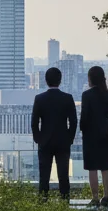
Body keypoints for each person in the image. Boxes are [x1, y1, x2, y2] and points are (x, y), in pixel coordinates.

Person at [31, 67, 77, 200]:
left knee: (44, 176)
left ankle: (43, 202)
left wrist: (38, 139)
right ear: (60, 80)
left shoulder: (39, 98)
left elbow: (34, 122)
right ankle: (64, 202)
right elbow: (73, 121)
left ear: (46, 81)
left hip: (44, 141)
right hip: (63, 141)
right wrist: (69, 138)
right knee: (63, 174)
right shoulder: (67, 98)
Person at [80, 65, 108, 210]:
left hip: (90, 135)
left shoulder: (86, 95)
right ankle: (106, 197)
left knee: (92, 168)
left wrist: (82, 129)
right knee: (105, 167)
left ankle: (95, 198)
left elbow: (84, 117)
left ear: (91, 78)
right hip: (105, 135)